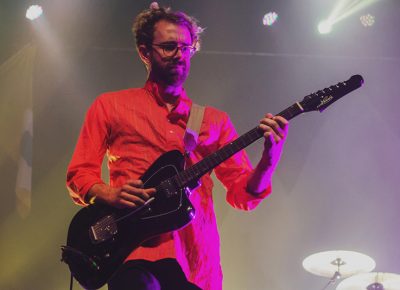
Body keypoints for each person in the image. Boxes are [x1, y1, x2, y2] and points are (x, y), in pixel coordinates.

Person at [66, 3, 289, 290]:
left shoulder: (214, 120)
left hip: (194, 261)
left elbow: (242, 194)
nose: (180, 55)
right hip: (132, 254)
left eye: (187, 47)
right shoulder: (110, 106)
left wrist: (269, 160)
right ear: (144, 52)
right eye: (169, 47)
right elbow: (79, 174)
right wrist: (110, 194)